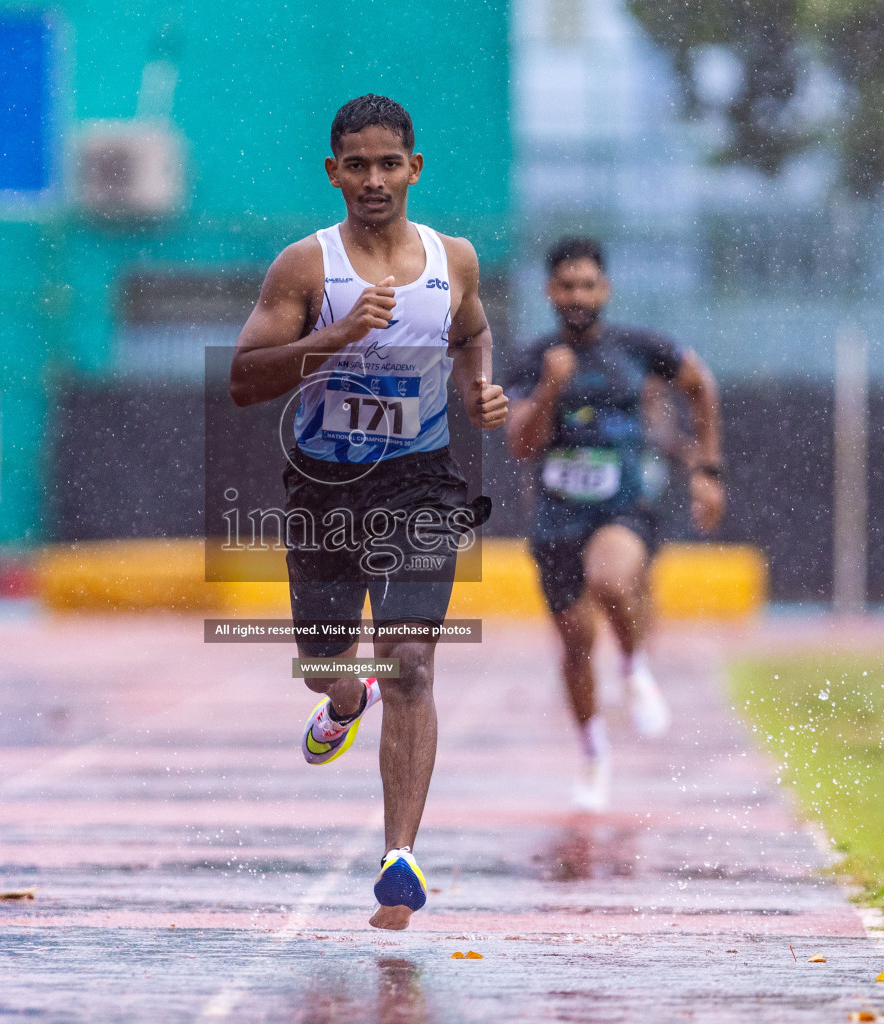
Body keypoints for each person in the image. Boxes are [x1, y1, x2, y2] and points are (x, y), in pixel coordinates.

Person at [228, 95, 508, 929]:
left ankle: (399, 857)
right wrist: (335, 337)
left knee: (411, 662)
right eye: (358, 164)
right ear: (333, 172)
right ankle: (345, 703)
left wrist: (477, 389)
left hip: (419, 483)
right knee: (328, 664)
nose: (374, 179)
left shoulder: (453, 258)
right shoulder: (305, 267)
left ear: (414, 168)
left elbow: (472, 332)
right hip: (324, 489)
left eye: (390, 163)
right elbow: (245, 380)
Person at [506, 236, 724, 811]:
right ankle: (594, 752)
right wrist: (552, 386)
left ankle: (633, 666)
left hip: (623, 506)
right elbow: (523, 445)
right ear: (551, 291)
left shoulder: (638, 347)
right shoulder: (531, 358)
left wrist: (707, 469)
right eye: (567, 286)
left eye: (588, 285)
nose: (578, 296)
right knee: (576, 644)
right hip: (555, 518)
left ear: (604, 289)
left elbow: (701, 385)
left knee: (611, 581)